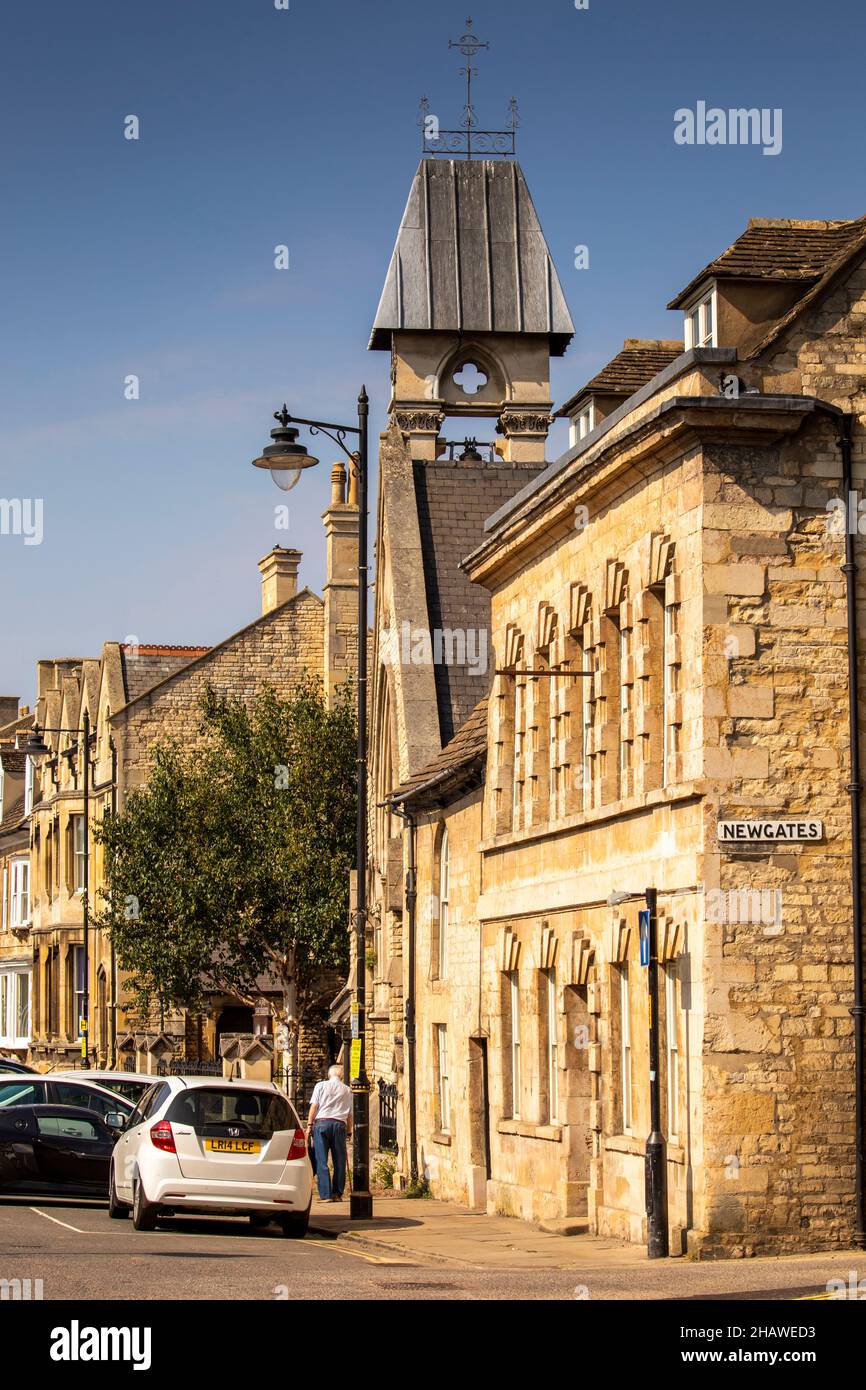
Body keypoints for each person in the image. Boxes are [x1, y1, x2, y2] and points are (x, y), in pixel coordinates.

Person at [306, 1064, 353, 1202]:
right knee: (339, 1160)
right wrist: (349, 1132)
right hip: (339, 1125)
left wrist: (309, 1125)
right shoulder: (347, 1090)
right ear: (341, 1076)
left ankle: (325, 1194)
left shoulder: (320, 1086)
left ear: (329, 1075)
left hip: (322, 1124)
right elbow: (350, 1114)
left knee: (322, 1160)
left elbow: (314, 1106)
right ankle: (337, 1194)